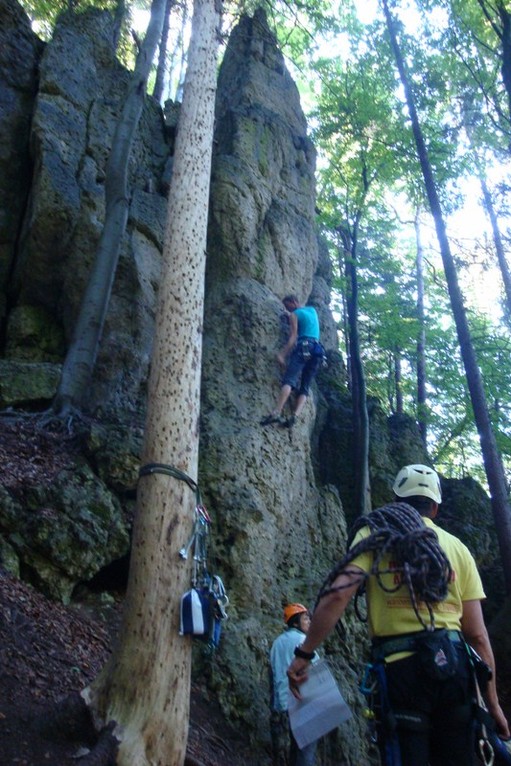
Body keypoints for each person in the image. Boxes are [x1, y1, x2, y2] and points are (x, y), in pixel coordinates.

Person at [287, 464, 510, 766]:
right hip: (457, 670)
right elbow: (478, 636)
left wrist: (305, 652)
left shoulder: (374, 533)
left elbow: (339, 593)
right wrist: (492, 702)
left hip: (401, 671)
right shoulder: (457, 548)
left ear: (395, 498)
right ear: (435, 506)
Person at [261, 295, 324, 429]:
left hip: (303, 347)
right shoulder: (312, 310)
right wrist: (291, 313)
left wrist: (282, 354)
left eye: (288, 306)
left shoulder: (294, 314)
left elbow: (293, 338)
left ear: (293, 302)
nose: (287, 309)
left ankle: (276, 412)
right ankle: (295, 415)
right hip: (318, 351)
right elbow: (304, 318)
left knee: (289, 380)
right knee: (305, 386)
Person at [269, 603, 319, 766]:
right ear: (295, 622)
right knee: (306, 752)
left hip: (286, 703)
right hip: (305, 701)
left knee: (296, 748)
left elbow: (274, 673)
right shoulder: (304, 642)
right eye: (305, 619)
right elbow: (316, 669)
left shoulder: (277, 643)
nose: (309, 622)